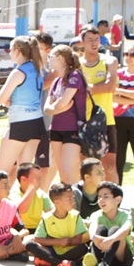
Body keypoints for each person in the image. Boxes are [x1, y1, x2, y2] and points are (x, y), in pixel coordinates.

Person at [0, 36, 46, 177]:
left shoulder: (18, 72)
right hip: (36, 122)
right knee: (25, 173)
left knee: (1, 172)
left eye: (10, 50)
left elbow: (1, 98)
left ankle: (0, 199)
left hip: (20, 122)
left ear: (17, 51)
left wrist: (7, 100)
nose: (9, 53)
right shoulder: (37, 69)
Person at [81, 25, 120, 183]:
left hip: (106, 121)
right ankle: (86, 202)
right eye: (90, 40)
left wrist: (86, 89)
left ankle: (116, 201)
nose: (94, 43)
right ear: (82, 41)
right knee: (84, 167)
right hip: (82, 121)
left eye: (96, 39)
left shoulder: (109, 60)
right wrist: (97, 88)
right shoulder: (77, 63)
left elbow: (109, 86)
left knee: (109, 167)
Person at [44, 45, 87, 186]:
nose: (48, 59)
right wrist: (56, 109)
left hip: (73, 129)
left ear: (60, 58)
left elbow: (63, 102)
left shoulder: (75, 76)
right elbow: (47, 109)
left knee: (69, 171)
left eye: (51, 57)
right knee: (62, 174)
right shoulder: (56, 81)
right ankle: (67, 205)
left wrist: (56, 108)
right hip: (56, 129)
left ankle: (77, 203)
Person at [24, 182, 90, 266]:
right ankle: (63, 263)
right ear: (57, 202)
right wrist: (58, 242)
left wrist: (66, 242)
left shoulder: (76, 216)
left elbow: (78, 240)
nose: (73, 201)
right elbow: (38, 239)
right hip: (52, 250)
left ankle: (49, 261)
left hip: (70, 250)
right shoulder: (47, 218)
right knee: (29, 244)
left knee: (83, 248)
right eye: (69, 199)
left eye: (73, 198)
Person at [113, 42, 134, 190]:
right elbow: (112, 96)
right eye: (126, 54)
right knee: (118, 161)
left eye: (132, 54)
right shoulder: (118, 73)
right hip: (118, 120)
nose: (128, 57)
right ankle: (116, 196)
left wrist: (121, 92)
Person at [84, 181, 133, 266]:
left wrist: (110, 240)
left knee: (115, 230)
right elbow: (93, 226)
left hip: (122, 260)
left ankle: (105, 264)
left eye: (106, 196)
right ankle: (96, 262)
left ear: (117, 200)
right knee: (100, 229)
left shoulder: (125, 215)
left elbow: (125, 230)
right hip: (102, 252)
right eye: (99, 197)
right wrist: (94, 236)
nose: (101, 200)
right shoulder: (96, 214)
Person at [33, 32, 56, 190]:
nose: (34, 50)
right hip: (30, 122)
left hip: (46, 123)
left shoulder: (53, 69)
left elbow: (46, 85)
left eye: (39, 48)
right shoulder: (30, 67)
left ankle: (42, 197)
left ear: (48, 50)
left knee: (45, 165)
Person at [15, 162, 53, 234]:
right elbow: (21, 209)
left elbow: (52, 213)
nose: (40, 181)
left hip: (38, 229)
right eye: (37, 178)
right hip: (19, 230)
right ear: (23, 179)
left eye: (40, 178)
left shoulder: (41, 194)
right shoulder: (13, 194)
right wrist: (32, 188)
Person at [72, 158, 104, 222]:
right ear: (87, 177)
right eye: (99, 173)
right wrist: (92, 224)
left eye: (103, 171)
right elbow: (71, 219)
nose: (103, 175)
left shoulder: (105, 191)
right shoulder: (74, 193)